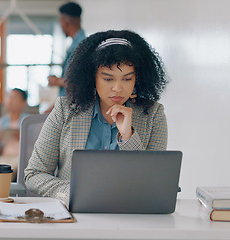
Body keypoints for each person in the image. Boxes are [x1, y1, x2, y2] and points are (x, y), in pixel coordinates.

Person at [24, 30, 168, 204]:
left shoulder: (153, 115)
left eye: (127, 79)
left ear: (137, 79)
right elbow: (34, 174)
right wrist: (71, 191)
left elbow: (152, 182)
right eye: (108, 79)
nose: (118, 88)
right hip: (74, 214)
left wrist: (128, 136)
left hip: (129, 215)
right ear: (92, 78)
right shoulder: (66, 110)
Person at [48, 2, 86, 98]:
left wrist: (57, 81)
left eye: (60, 21)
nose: (61, 25)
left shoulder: (81, 45)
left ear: (65, 21)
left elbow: (81, 81)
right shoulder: (76, 44)